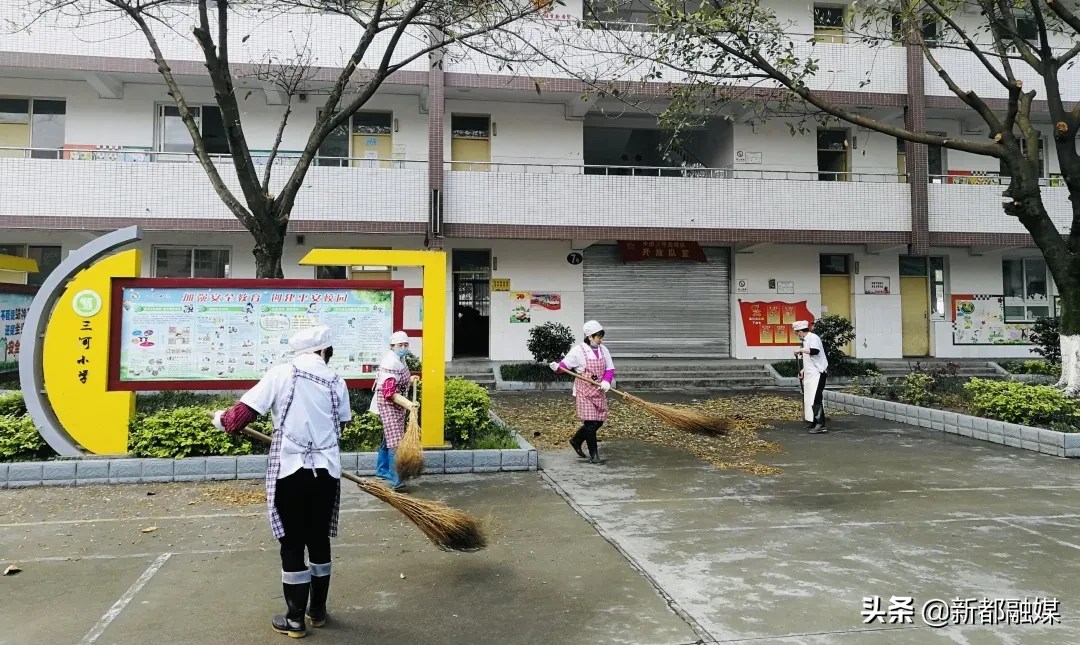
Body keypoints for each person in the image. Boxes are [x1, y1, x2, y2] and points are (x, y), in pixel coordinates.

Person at [209, 325, 350, 638]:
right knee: (319, 539)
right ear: (324, 350)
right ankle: (317, 611)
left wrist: (219, 418)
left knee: (292, 543)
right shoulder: (336, 380)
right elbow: (341, 425)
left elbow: (236, 420)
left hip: (291, 472)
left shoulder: (280, 374)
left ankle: (295, 619)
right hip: (326, 473)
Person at [550, 320, 615, 464]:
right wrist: (557, 367)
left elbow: (610, 368)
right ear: (590, 336)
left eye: (601, 336)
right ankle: (594, 455)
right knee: (590, 423)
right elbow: (564, 365)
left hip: (598, 390)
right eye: (598, 337)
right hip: (584, 391)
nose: (600, 340)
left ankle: (576, 440)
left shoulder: (603, 350)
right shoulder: (578, 351)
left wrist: (606, 381)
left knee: (599, 421)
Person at [369, 331, 420, 490]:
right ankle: (397, 479)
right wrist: (408, 404)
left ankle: (382, 470)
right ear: (392, 346)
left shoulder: (399, 359)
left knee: (388, 437)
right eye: (400, 345)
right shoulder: (390, 362)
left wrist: (410, 380)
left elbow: (398, 381)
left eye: (405, 345)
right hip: (388, 404)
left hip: (396, 404)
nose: (403, 348)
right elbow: (389, 392)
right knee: (395, 441)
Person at [793, 319, 828, 433]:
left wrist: (800, 350)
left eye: (796, 333)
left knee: (816, 398)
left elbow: (815, 351)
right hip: (810, 374)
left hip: (818, 373)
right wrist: (803, 371)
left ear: (800, 332)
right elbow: (809, 360)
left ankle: (820, 424)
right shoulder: (805, 341)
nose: (797, 335)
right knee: (809, 398)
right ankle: (813, 421)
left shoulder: (813, 337)